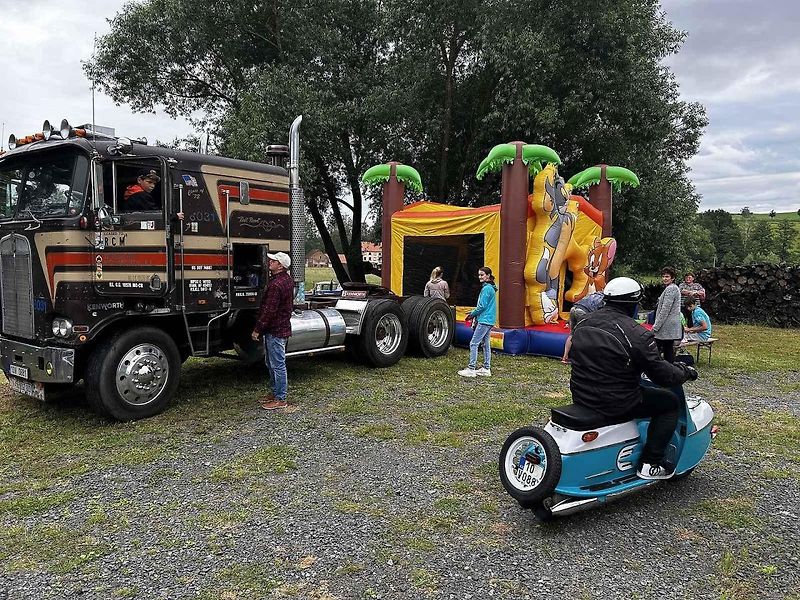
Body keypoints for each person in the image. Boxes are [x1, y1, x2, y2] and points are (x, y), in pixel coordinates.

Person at [569, 277, 698, 480]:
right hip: (617, 401)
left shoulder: (584, 322)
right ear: (633, 304)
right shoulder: (636, 333)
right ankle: (651, 462)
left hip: (581, 394)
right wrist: (684, 371)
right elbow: (662, 375)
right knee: (669, 402)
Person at [251, 251, 294, 410]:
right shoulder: (287, 280)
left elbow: (269, 310)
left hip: (275, 330)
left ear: (280, 266)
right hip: (280, 327)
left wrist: (257, 329)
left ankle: (281, 399)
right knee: (272, 363)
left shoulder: (276, 285)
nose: (270, 261)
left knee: (277, 365)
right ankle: (276, 393)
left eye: (274, 260)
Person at [458, 266, 497, 378]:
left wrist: (472, 314)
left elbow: (482, 306)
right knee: (485, 344)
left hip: (484, 320)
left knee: (474, 343)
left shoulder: (486, 289)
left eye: (482, 275)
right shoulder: (490, 288)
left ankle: (471, 368)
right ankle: (486, 368)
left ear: (488, 276)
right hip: (489, 320)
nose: (480, 277)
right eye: (479, 275)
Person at [561, 291, 605, 363]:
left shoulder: (593, 294)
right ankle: (581, 358)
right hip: (583, 312)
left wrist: (568, 322)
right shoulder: (603, 299)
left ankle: (564, 357)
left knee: (572, 334)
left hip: (574, 308)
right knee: (585, 335)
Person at [652, 266, 682, 363]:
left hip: (666, 325)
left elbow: (665, 309)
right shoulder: (671, 288)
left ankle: (659, 370)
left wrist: (656, 326)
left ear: (672, 278)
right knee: (667, 349)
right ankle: (669, 371)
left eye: (667, 276)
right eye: (663, 276)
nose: (665, 278)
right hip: (668, 325)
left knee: (656, 350)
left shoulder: (671, 289)